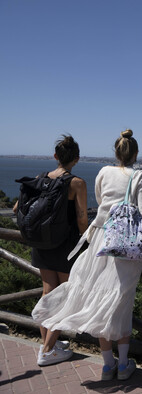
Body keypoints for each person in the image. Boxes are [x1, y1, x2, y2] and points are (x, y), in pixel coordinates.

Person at [32, 129, 142, 381]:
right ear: (136, 154)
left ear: (116, 152)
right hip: (126, 242)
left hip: (100, 237)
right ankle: (123, 367)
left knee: (99, 298)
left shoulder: (103, 172)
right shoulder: (139, 175)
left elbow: (101, 202)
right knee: (121, 301)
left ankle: (108, 364)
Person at [14, 135, 88, 366]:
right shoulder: (77, 183)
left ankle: (48, 344)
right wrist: (89, 239)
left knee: (48, 294)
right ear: (76, 159)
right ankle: (47, 351)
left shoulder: (40, 178)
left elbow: (17, 208)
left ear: (55, 156)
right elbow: (82, 219)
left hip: (42, 244)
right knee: (63, 297)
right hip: (66, 246)